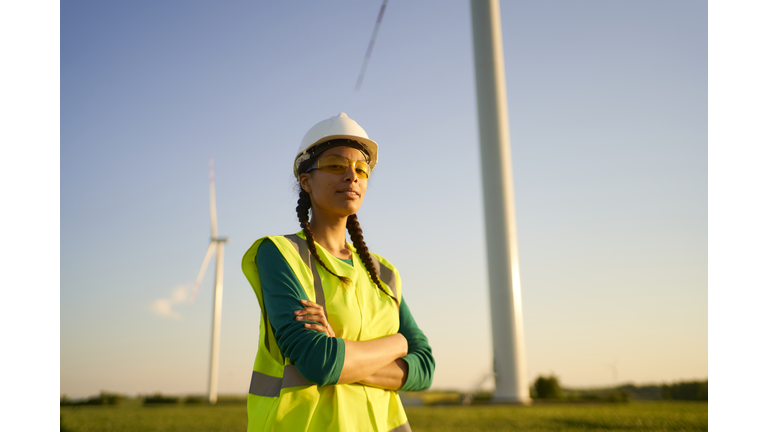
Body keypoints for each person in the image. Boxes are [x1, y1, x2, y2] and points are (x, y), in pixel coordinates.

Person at [242, 113, 435, 432]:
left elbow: (424, 367)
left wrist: (343, 354)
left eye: (361, 169)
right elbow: (317, 361)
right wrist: (398, 344)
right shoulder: (279, 254)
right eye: (335, 165)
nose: (352, 176)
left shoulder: (383, 272)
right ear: (306, 180)